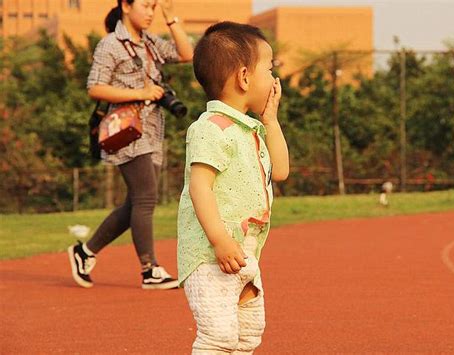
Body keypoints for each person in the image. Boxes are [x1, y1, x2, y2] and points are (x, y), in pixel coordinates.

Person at [177, 22, 289, 354]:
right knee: (218, 337)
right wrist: (219, 240)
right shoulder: (210, 128)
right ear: (244, 77)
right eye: (269, 69)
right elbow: (200, 187)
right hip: (212, 255)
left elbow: (280, 171)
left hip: (244, 254)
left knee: (248, 335)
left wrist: (271, 120)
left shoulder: (249, 130)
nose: (273, 79)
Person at [67, 0, 193, 290]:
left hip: (152, 130)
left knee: (135, 202)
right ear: (126, 5)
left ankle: (84, 253)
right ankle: (150, 270)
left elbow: (186, 54)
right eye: (146, 6)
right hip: (125, 130)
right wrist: (142, 92)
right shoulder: (110, 44)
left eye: (153, 7)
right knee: (146, 198)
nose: (150, 13)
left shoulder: (150, 42)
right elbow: (95, 87)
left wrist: (172, 19)